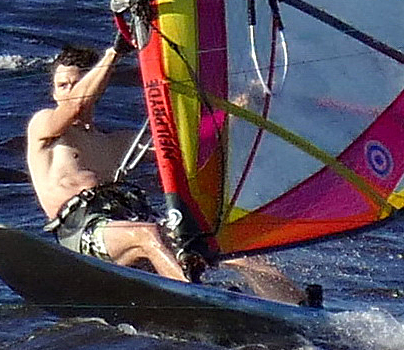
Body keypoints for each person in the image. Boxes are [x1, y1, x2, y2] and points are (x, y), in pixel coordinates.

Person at [24, 40, 307, 305]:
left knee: (217, 244)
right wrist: (115, 52)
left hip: (128, 222)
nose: (68, 91)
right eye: (62, 85)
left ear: (95, 83)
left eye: (77, 83)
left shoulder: (116, 142)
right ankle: (197, 300)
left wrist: (242, 107)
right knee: (146, 235)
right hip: (83, 231)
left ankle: (300, 306)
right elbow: (75, 105)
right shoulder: (44, 127)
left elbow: (190, 150)